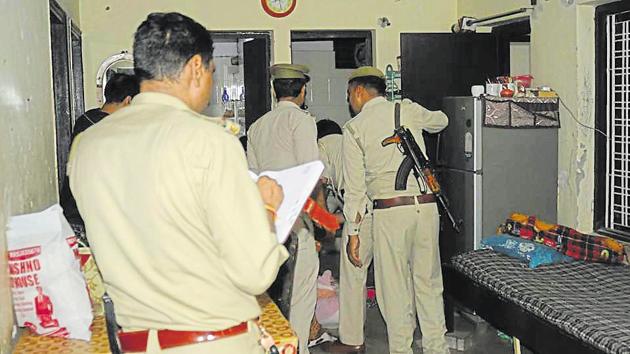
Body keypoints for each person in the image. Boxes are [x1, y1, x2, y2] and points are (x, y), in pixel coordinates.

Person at [68, 12, 288, 353]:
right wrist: (268, 207)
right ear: (196, 67)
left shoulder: (88, 146)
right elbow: (254, 273)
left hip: (135, 343)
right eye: (213, 73)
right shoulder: (209, 141)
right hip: (213, 343)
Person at [341, 66, 450, 354]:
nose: (350, 101)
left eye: (350, 94)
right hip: (426, 209)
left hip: (389, 213)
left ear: (360, 91)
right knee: (429, 284)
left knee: (395, 290)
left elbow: (355, 190)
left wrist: (354, 232)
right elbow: (441, 121)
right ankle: (437, 349)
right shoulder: (408, 109)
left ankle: (402, 350)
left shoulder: (354, 128)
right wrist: (420, 116)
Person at [247, 63, 319, 354]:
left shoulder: (257, 126)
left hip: (267, 221)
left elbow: (252, 175)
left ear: (275, 91)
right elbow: (310, 173)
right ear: (302, 91)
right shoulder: (301, 121)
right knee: (300, 293)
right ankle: (296, 348)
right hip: (297, 220)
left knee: (271, 295)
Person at [59, 73, 139, 244]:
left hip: (72, 212)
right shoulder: (111, 129)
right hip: (91, 219)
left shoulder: (86, 120)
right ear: (129, 101)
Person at [317, 119, 373, 354]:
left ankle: (352, 341)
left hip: (363, 214)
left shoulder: (322, 145)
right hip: (384, 208)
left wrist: (323, 225)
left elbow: (318, 184)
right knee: (395, 278)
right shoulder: (346, 144)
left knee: (353, 274)